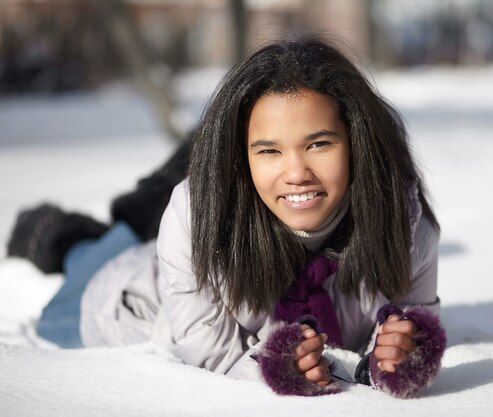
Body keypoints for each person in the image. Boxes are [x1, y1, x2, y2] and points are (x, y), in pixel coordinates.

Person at [7, 36, 446, 399]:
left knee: (157, 217)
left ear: (356, 142)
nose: (297, 172)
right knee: (81, 250)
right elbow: (214, 358)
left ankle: (190, 171)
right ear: (244, 158)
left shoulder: (402, 222)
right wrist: (273, 370)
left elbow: (407, 323)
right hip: (124, 298)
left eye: (319, 144)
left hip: (202, 226)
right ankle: (63, 226)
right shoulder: (193, 217)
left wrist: (394, 358)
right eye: (269, 149)